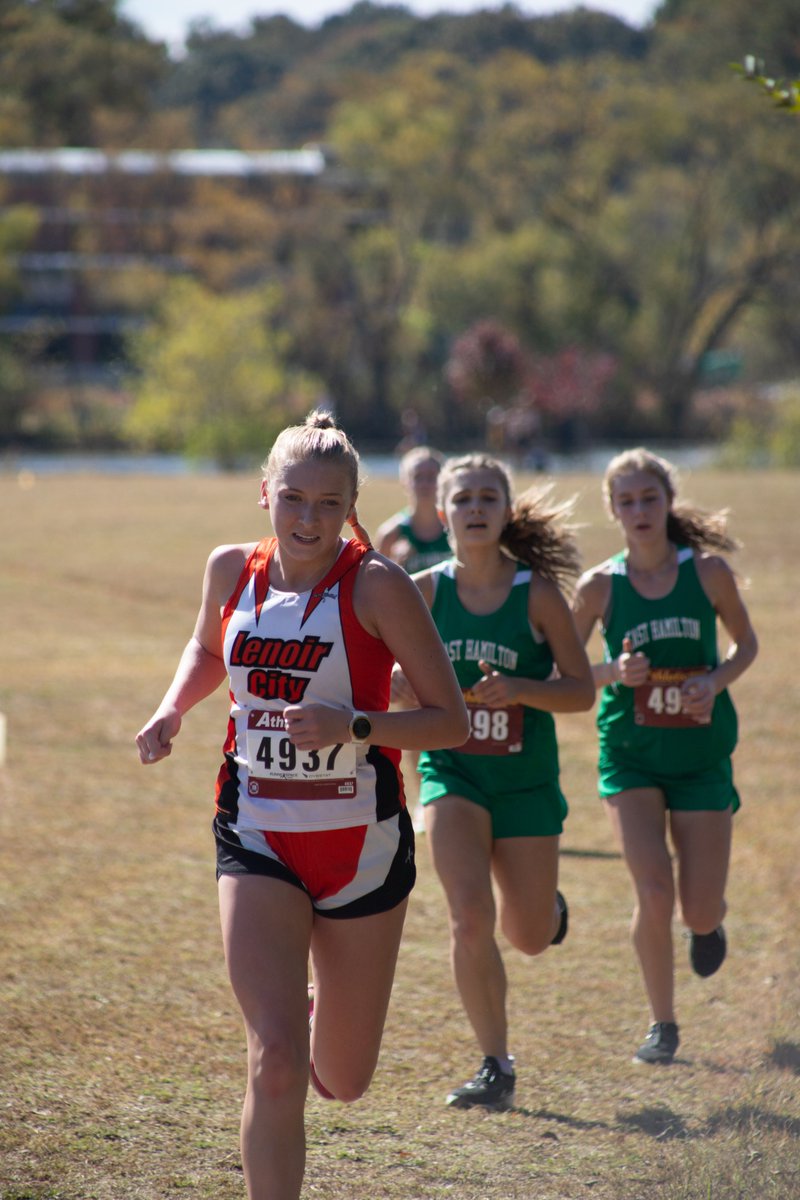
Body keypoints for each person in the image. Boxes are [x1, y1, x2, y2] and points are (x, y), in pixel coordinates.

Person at [136, 411, 469, 1200]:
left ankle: (320, 1012)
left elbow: (448, 719)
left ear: (352, 505)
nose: (308, 518)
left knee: (342, 1080)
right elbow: (208, 648)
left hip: (362, 851)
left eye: (328, 503)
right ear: (264, 494)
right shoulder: (230, 571)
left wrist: (354, 724)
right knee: (275, 1062)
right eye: (293, 498)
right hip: (256, 835)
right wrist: (172, 708)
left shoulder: (377, 585)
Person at [394, 452, 594, 1110]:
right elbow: (390, 682)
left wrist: (521, 689)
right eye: (463, 499)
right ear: (441, 513)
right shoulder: (423, 592)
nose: (475, 508)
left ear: (505, 512)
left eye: (487, 498)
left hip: (526, 784)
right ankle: (495, 1065)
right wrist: (398, 689)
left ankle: (551, 911)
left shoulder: (535, 592)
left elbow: (580, 691)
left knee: (528, 935)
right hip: (452, 774)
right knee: (468, 918)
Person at [572, 448, 758, 1066]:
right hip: (630, 754)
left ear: (668, 501)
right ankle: (662, 1024)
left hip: (702, 754)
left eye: (649, 498)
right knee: (653, 891)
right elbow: (565, 671)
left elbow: (746, 643)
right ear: (613, 510)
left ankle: (707, 924)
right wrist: (612, 671)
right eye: (626, 501)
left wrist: (716, 680)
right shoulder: (600, 586)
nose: (639, 510)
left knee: (698, 904)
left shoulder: (707, 573)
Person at [375, 446, 450, 576]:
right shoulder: (390, 535)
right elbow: (375, 588)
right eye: (418, 477)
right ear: (405, 482)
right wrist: (395, 565)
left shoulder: (456, 528)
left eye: (432, 477)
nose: (425, 483)